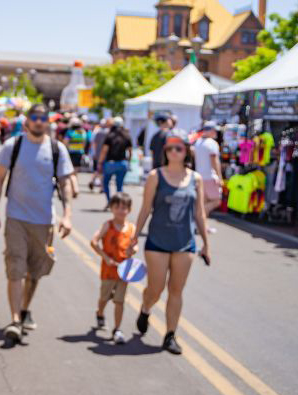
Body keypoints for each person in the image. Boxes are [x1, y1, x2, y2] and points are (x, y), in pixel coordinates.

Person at [0, 103, 75, 345]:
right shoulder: (13, 146)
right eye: (34, 117)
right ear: (27, 122)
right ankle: (15, 320)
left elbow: (66, 183)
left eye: (42, 118)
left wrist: (67, 215)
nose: (38, 121)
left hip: (44, 221)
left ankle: (24, 309)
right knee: (15, 267)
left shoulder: (57, 149)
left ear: (47, 122)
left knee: (34, 273)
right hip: (16, 218)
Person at [129, 129, 210, 355]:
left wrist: (206, 244)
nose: (174, 151)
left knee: (176, 289)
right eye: (170, 148)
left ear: (186, 152)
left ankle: (170, 334)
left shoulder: (195, 179)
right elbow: (146, 208)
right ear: (165, 152)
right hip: (157, 240)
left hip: (185, 242)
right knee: (156, 289)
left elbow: (199, 213)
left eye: (179, 148)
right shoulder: (156, 176)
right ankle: (146, 308)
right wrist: (134, 237)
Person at [90, 192, 137, 344]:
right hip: (108, 270)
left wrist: (133, 251)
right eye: (117, 207)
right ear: (112, 208)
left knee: (119, 301)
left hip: (124, 271)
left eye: (124, 207)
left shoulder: (131, 228)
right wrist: (105, 257)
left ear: (129, 210)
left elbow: (134, 246)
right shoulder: (107, 225)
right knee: (104, 297)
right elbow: (94, 241)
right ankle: (100, 313)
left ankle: (117, 329)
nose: (121, 211)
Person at [98, 117, 132, 208]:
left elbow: (104, 150)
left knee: (105, 183)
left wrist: (100, 162)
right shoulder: (126, 135)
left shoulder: (110, 135)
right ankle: (120, 204)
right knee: (119, 185)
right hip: (122, 163)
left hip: (110, 163)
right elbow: (130, 151)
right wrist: (128, 161)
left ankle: (110, 202)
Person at [193, 121, 224, 216]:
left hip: (199, 176)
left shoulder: (197, 142)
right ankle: (198, 215)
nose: (216, 133)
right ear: (210, 130)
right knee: (217, 201)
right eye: (214, 130)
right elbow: (214, 161)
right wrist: (219, 177)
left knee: (204, 201)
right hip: (209, 177)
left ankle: (202, 225)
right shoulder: (212, 143)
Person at [89, 118, 110, 190]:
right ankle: (101, 186)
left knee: (97, 169)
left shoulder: (97, 132)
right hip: (105, 155)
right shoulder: (108, 132)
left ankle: (93, 180)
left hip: (97, 154)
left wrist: (94, 153)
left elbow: (94, 144)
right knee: (102, 171)